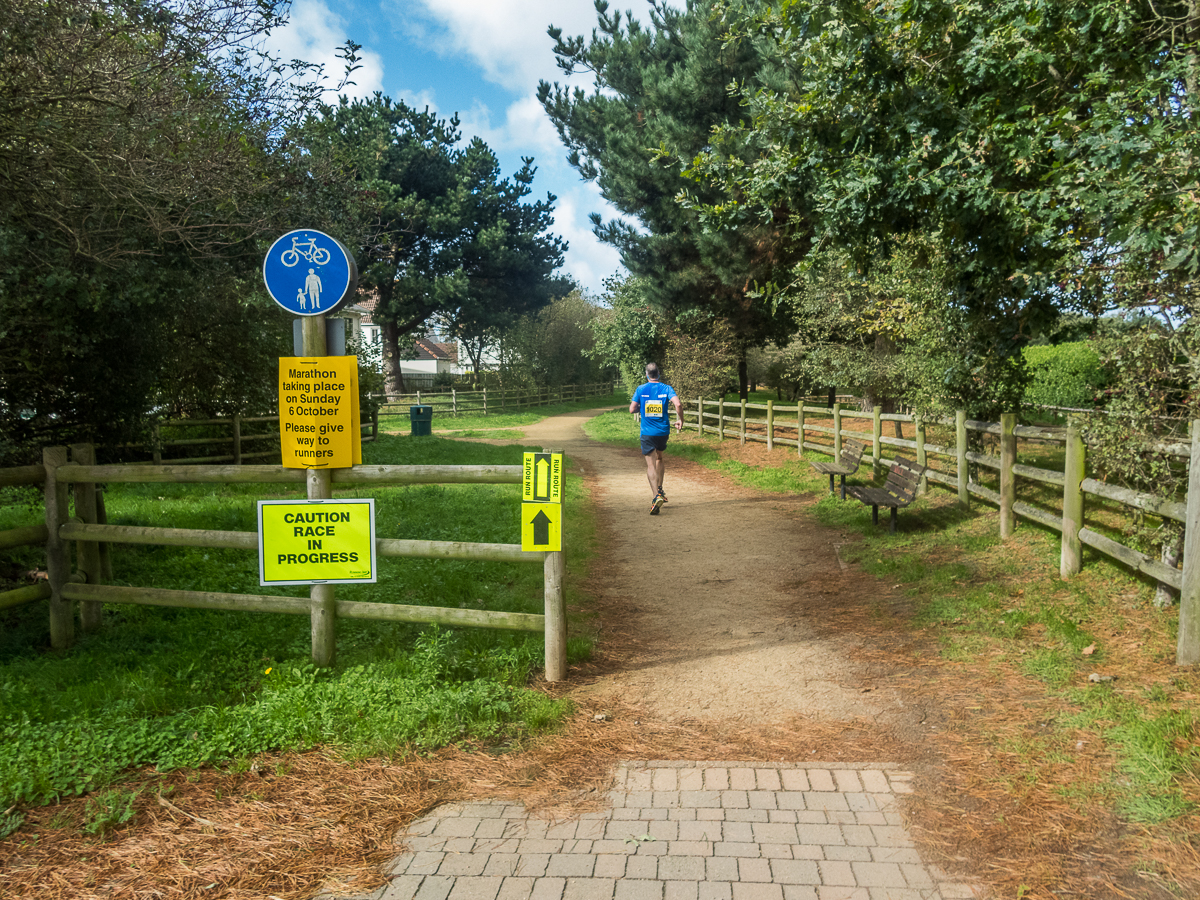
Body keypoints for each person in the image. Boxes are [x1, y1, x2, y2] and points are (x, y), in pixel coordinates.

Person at [630, 362, 683, 515]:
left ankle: (656, 496)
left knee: (650, 465)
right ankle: (660, 488)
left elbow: (632, 409)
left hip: (647, 432)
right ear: (658, 374)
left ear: (647, 375)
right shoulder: (666, 388)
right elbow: (678, 404)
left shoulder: (641, 389)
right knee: (659, 457)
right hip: (663, 431)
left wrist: (644, 406)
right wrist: (681, 420)